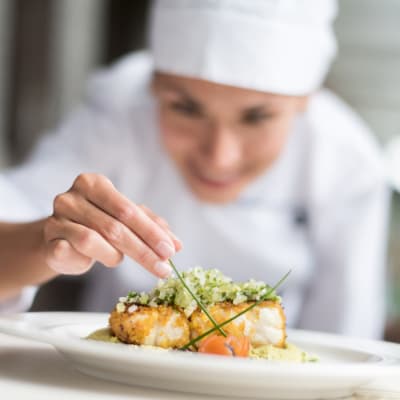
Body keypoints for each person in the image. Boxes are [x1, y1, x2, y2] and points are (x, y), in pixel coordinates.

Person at [0, 0, 389, 338]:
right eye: (185, 108)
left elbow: (347, 342)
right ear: (153, 86)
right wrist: (46, 243)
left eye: (257, 117)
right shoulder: (120, 113)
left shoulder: (346, 161)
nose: (219, 156)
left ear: (305, 101)